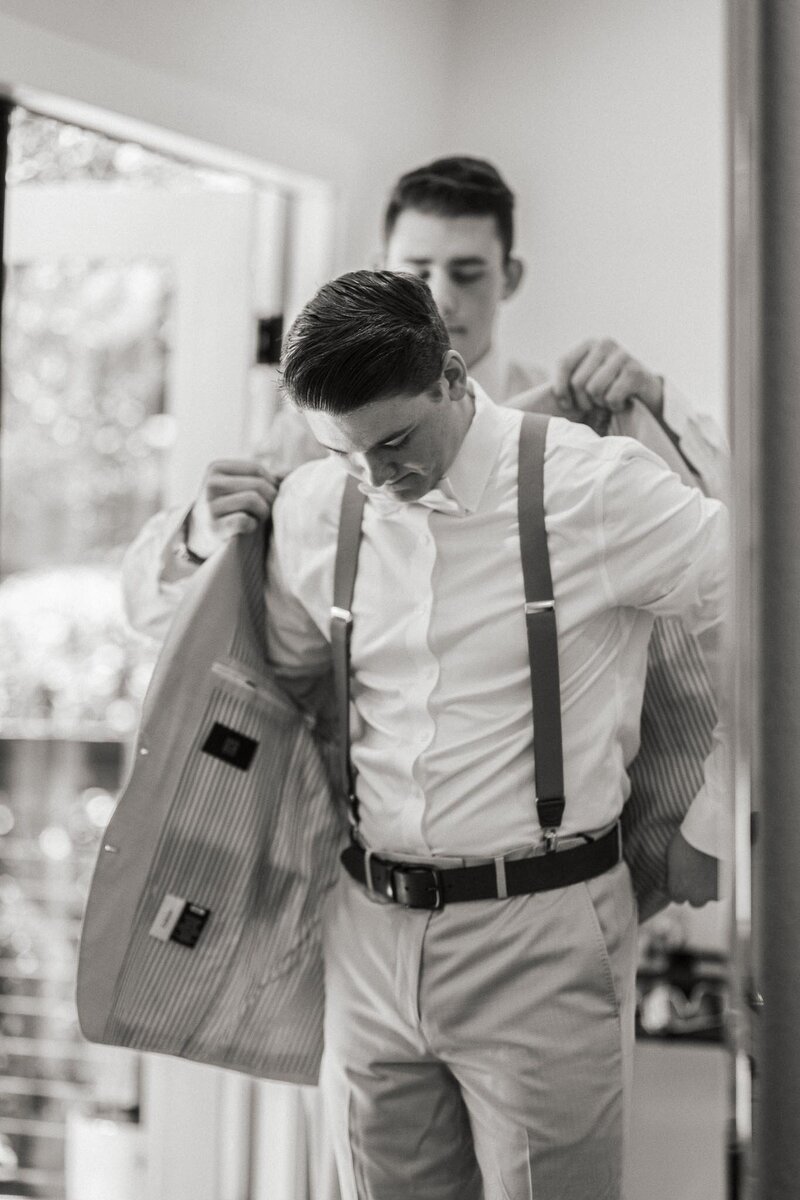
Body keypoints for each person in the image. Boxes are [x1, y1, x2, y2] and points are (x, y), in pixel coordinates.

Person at [262, 269, 727, 1199]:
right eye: (343, 451)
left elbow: (776, 608)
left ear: (450, 373)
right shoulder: (318, 506)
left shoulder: (590, 487)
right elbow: (267, 676)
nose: (374, 479)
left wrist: (717, 823)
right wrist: (204, 538)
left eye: (393, 442)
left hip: (543, 932)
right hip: (366, 934)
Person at [122, 156, 727, 637]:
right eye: (418, 270)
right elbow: (159, 617)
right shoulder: (313, 435)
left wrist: (657, 403)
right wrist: (200, 534)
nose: (441, 296)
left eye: (467, 273)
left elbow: (733, 557)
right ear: (382, 268)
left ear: (509, 277)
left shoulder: (584, 425)